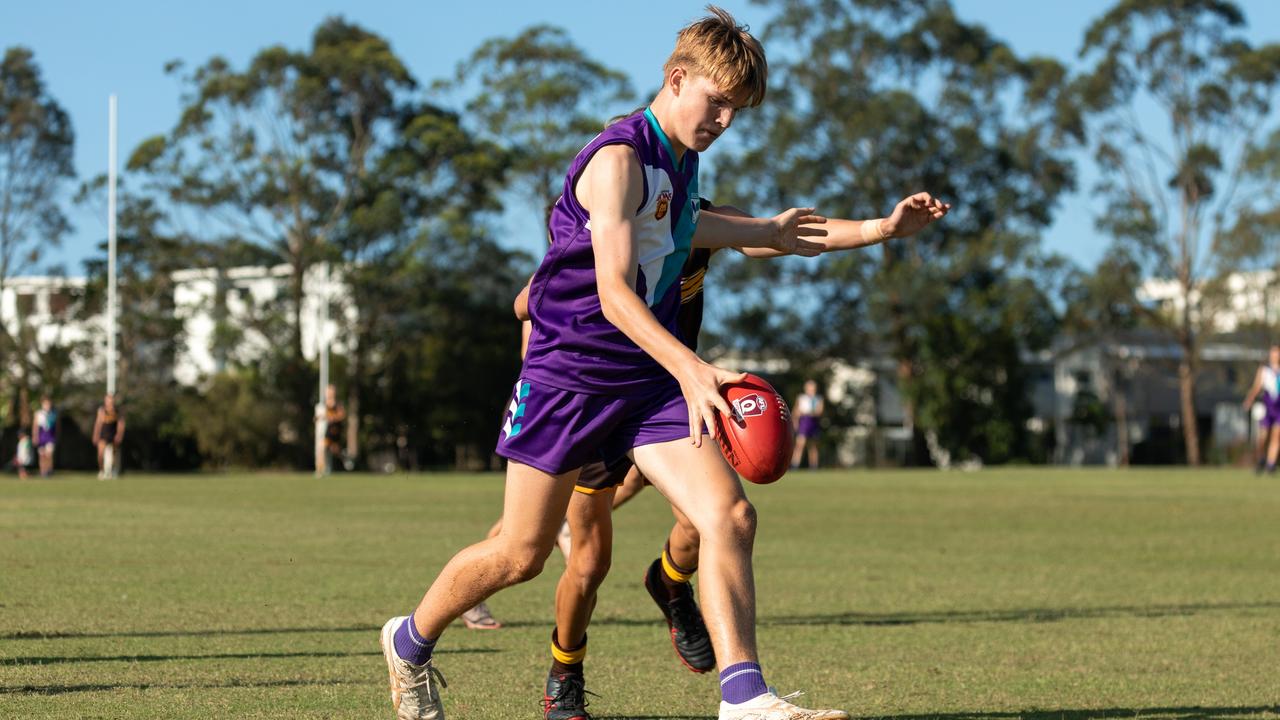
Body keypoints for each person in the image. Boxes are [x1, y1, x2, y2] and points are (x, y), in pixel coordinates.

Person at [377, 8, 857, 719]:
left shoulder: (681, 164)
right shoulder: (619, 159)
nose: (725, 119)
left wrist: (870, 228)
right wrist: (693, 367)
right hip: (569, 377)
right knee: (520, 555)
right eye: (717, 101)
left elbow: (730, 231)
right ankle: (409, 640)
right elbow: (611, 295)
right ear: (677, 77)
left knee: (728, 514)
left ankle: (745, 698)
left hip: (642, 383)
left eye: (738, 110)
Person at [537, 190, 948, 719]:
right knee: (588, 565)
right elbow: (529, 300)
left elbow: (779, 234)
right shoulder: (598, 223)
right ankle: (565, 671)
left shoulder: (691, 213)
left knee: (714, 519)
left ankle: (670, 585)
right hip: (599, 398)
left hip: (670, 393)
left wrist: (882, 230)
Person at [1242, 344, 1280, 473]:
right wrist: (1249, 399)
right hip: (1268, 406)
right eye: (1273, 353)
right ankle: (1261, 458)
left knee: (1276, 436)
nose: (1275, 355)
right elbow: (1257, 387)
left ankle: (1270, 464)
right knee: (1262, 437)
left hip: (1279, 407)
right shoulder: (1264, 370)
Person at [791, 379, 825, 469]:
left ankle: (814, 466)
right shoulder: (801, 398)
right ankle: (795, 465)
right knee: (800, 444)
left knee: (813, 445)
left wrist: (809, 412)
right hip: (804, 422)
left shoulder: (818, 399)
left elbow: (819, 412)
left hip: (813, 422)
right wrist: (795, 421)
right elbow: (796, 411)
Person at [315, 384, 346, 477]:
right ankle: (320, 470)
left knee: (334, 449)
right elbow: (324, 416)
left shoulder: (337, 404)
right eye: (327, 391)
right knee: (322, 448)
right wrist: (320, 417)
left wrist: (333, 417)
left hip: (336, 430)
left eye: (330, 391)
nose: (328, 393)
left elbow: (342, 415)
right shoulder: (325, 404)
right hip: (329, 430)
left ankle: (345, 458)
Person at [92, 394, 124, 480]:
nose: (109, 402)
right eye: (108, 400)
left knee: (113, 455)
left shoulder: (117, 411)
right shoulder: (102, 411)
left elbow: (121, 424)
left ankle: (112, 471)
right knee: (100, 454)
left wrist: (119, 435)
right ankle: (101, 471)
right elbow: (98, 423)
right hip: (103, 435)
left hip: (112, 435)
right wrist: (95, 435)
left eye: (111, 400)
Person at [32, 395, 57, 478]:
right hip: (41, 436)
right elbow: (35, 426)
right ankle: (43, 471)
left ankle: (49, 470)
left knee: (49, 454)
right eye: (45, 404)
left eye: (49, 404)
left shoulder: (54, 414)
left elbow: (56, 426)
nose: (47, 406)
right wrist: (35, 436)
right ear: (42, 404)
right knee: (42, 455)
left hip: (50, 436)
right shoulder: (38, 414)